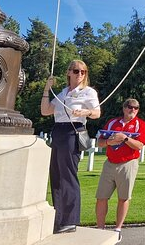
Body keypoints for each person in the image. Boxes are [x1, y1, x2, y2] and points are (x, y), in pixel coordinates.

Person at [41, 59, 101, 234]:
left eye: (83, 71)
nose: (80, 74)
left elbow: (97, 113)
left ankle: (70, 220)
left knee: (68, 175)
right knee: (56, 175)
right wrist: (47, 88)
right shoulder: (62, 93)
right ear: (68, 72)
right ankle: (59, 217)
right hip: (58, 131)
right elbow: (45, 111)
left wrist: (86, 112)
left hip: (72, 131)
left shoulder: (88, 92)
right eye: (76, 71)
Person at [95, 98, 145, 241]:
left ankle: (118, 228)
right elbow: (100, 142)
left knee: (123, 198)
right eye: (130, 107)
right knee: (101, 197)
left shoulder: (140, 125)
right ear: (124, 108)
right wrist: (108, 142)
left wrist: (125, 138)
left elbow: (140, 145)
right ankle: (100, 229)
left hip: (128, 164)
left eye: (136, 108)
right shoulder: (113, 122)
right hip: (110, 163)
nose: (133, 110)